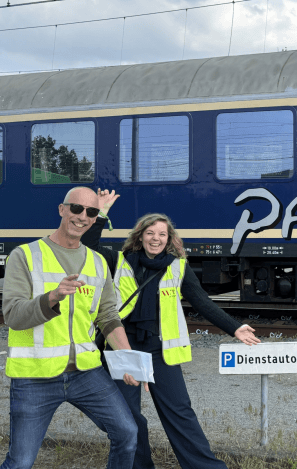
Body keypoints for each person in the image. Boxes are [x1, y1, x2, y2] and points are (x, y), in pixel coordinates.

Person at [81, 189, 261, 469]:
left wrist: (235, 328)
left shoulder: (178, 267)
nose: (156, 238)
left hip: (160, 348)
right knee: (127, 417)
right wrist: (101, 213)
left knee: (180, 413)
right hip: (123, 346)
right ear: (140, 236)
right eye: (150, 233)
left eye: (162, 234)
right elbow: (87, 245)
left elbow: (201, 301)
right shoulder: (119, 260)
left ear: (169, 239)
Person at [1, 187, 141, 469]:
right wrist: (52, 297)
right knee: (21, 462)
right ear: (61, 209)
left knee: (127, 433)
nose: (82, 216)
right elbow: (12, 315)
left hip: (85, 374)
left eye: (91, 212)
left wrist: (129, 360)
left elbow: (108, 316)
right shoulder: (24, 255)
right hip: (35, 376)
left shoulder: (98, 262)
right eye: (76, 208)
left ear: (95, 217)